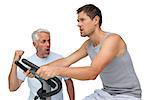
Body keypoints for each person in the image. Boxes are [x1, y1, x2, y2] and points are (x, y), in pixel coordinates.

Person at [36, 4, 142, 100]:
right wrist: (40, 69)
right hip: (107, 93)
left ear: (96, 20)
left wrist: (56, 71)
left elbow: (92, 72)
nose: (79, 24)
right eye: (78, 21)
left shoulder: (113, 40)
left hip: (128, 95)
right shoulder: (88, 44)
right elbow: (66, 61)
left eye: (82, 20)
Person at [8, 28, 75, 100]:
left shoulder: (60, 59)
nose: (48, 44)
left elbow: (68, 83)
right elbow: (13, 87)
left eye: (49, 41)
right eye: (43, 41)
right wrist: (15, 61)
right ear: (35, 44)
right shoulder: (28, 62)